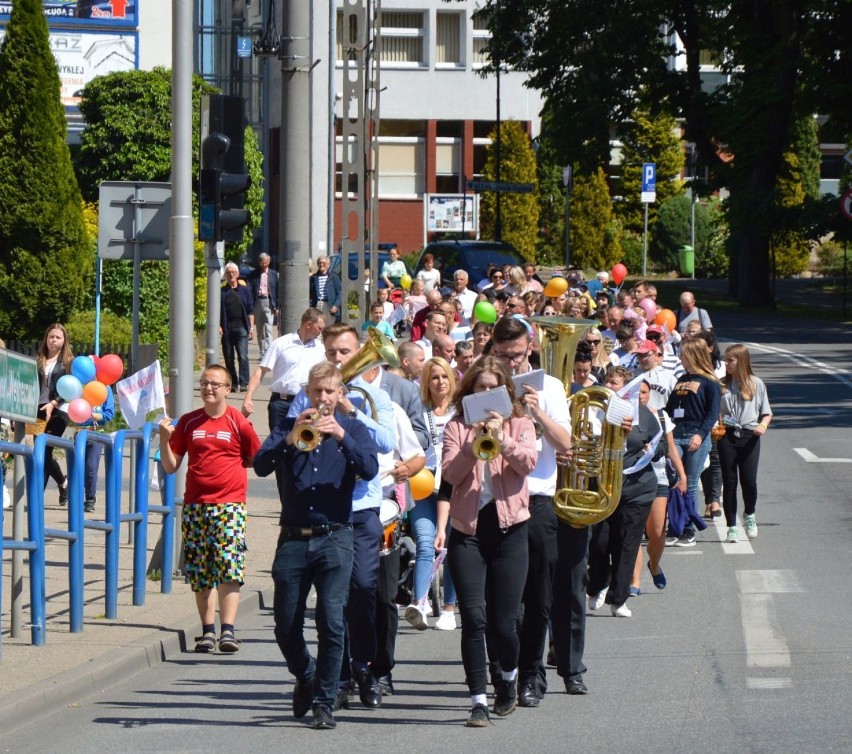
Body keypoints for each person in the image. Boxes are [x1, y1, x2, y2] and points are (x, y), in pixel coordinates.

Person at [254, 361, 379, 730]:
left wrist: (341, 435)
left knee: (331, 621)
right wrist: (290, 438)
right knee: (284, 625)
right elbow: (260, 465)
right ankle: (306, 674)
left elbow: (370, 469)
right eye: (317, 391)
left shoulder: (353, 428)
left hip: (335, 536)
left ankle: (324, 702)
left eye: (330, 391)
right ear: (307, 392)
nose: (323, 398)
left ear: (341, 394)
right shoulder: (287, 428)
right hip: (293, 537)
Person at [287, 323, 396, 711]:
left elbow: (387, 443)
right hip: (321, 512)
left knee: (363, 589)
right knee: (332, 602)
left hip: (362, 507)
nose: (337, 359)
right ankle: (338, 675)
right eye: (331, 352)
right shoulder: (308, 397)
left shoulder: (374, 395)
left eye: (345, 352)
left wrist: (351, 414)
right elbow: (289, 440)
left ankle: (365, 666)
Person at [437, 356, 537, 725]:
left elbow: (527, 464)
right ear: (470, 393)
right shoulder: (456, 427)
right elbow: (448, 474)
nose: (486, 393)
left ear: (504, 392)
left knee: (504, 622)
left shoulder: (521, 422)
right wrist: (473, 441)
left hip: (511, 530)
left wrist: (503, 438)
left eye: (493, 388)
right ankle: (478, 699)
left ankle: (508, 678)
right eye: (480, 388)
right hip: (469, 532)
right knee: (474, 619)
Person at [489, 316, 572, 706]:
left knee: (538, 595)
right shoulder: (485, 381)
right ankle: (503, 666)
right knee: (498, 596)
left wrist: (538, 413)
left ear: (530, 348)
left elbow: (565, 443)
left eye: (517, 356)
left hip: (537, 497)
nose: (511, 364)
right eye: (503, 356)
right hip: (496, 497)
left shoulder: (550, 386)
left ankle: (531, 673)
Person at [158, 364, 261, 654]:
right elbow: (171, 465)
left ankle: (227, 631)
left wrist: (233, 472)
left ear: (228, 389)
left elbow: (256, 459)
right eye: (204, 383)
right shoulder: (189, 422)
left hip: (229, 505)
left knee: (229, 567)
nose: (209, 388)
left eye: (215, 384)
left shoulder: (237, 422)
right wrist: (165, 439)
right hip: (195, 507)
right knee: (201, 571)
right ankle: (207, 632)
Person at [586, 375, 663, 618]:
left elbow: (660, 447)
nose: (609, 386)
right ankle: (599, 583)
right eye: (607, 381)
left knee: (627, 544)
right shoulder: (593, 412)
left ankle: (619, 600)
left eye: (615, 383)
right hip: (601, 489)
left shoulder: (643, 414)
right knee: (598, 543)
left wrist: (651, 449)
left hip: (636, 489)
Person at [405, 357, 459, 631]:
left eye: (444, 376)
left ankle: (449, 608)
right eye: (434, 377)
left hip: (455, 487)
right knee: (426, 543)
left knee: (451, 547)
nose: (440, 382)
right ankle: (420, 602)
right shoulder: (418, 409)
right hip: (424, 485)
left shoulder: (461, 410)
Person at [630, 376, 687, 593]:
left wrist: (682, 476)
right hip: (632, 478)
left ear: (649, 394)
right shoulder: (625, 416)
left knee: (656, 531)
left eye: (644, 393)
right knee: (634, 530)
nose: (640, 397)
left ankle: (654, 565)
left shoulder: (661, 416)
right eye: (637, 393)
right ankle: (634, 580)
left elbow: (671, 448)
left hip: (658, 478)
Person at [664, 338, 722, 546]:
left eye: (684, 354)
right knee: (672, 475)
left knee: (690, 480)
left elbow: (712, 412)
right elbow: (670, 407)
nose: (680, 357)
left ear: (694, 355)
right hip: (676, 432)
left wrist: (700, 434)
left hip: (697, 433)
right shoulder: (681, 378)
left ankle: (688, 529)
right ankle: (675, 526)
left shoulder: (710, 381)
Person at [718, 344, 772, 543]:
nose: (726, 364)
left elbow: (766, 413)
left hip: (750, 436)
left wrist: (762, 426)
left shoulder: (756, 384)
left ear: (741, 361)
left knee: (748, 481)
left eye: (730, 360)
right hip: (727, 436)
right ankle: (731, 526)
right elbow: (716, 411)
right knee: (729, 482)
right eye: (726, 359)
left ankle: (749, 514)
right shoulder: (721, 384)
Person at [242, 308, 326, 431]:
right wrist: (248, 397)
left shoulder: (320, 349)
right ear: (308, 324)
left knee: (303, 446)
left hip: (306, 403)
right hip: (281, 403)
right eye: (319, 328)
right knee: (278, 444)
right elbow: (261, 371)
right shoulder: (281, 343)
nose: (321, 332)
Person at [35, 323, 73, 504]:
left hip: (59, 409)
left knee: (45, 447)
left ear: (64, 341)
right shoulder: (39, 360)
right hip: (40, 409)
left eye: (58, 337)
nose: (54, 341)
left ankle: (36, 498)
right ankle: (63, 482)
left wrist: (54, 403)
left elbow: (70, 389)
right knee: (40, 450)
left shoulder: (68, 363)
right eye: (51, 337)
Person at [79, 386, 115, 513]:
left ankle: (90, 498)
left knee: (91, 467)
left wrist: (97, 416)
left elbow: (110, 413)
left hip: (96, 433)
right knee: (78, 467)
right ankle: (76, 496)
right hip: (79, 434)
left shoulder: (105, 388)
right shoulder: (78, 385)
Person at [220, 262, 255, 391]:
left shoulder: (244, 290)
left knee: (243, 356)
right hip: (227, 329)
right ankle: (233, 383)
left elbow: (250, 309)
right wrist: (219, 326)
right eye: (228, 273)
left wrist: (251, 327)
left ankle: (244, 382)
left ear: (238, 274)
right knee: (228, 358)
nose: (231, 275)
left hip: (242, 328)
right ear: (225, 275)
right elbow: (217, 311)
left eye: (233, 273)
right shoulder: (222, 292)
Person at [247, 253, 279, 358]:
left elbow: (278, 291)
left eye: (264, 261)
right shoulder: (253, 274)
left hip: (269, 302)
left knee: (269, 328)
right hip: (257, 302)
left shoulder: (274, 274)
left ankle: (269, 353)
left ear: (268, 262)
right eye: (260, 261)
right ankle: (262, 353)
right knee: (260, 329)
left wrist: (277, 306)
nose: (262, 263)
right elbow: (249, 289)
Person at [309, 256, 342, 322]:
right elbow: (310, 293)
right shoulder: (313, 278)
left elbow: (339, 292)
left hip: (329, 305)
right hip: (317, 304)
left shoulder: (333, 277)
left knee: (329, 326)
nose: (321, 265)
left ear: (328, 265)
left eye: (323, 263)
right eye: (319, 263)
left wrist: (335, 306)